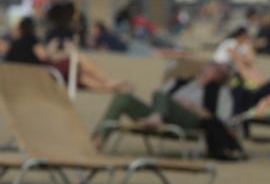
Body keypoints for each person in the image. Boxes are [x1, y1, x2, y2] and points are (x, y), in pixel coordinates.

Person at [92, 62, 245, 160]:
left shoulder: (221, 92)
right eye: (213, 66)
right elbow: (158, 98)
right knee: (123, 97)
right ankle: (96, 140)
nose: (216, 70)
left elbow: (222, 120)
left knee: (161, 95)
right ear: (203, 67)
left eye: (220, 71)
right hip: (162, 113)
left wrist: (194, 107)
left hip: (191, 120)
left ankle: (157, 117)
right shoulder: (178, 82)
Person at [42, 2, 132, 92]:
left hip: (67, 68)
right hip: (56, 68)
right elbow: (50, 56)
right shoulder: (54, 34)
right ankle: (108, 81)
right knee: (80, 58)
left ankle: (109, 86)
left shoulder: (64, 32)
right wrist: (68, 52)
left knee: (83, 78)